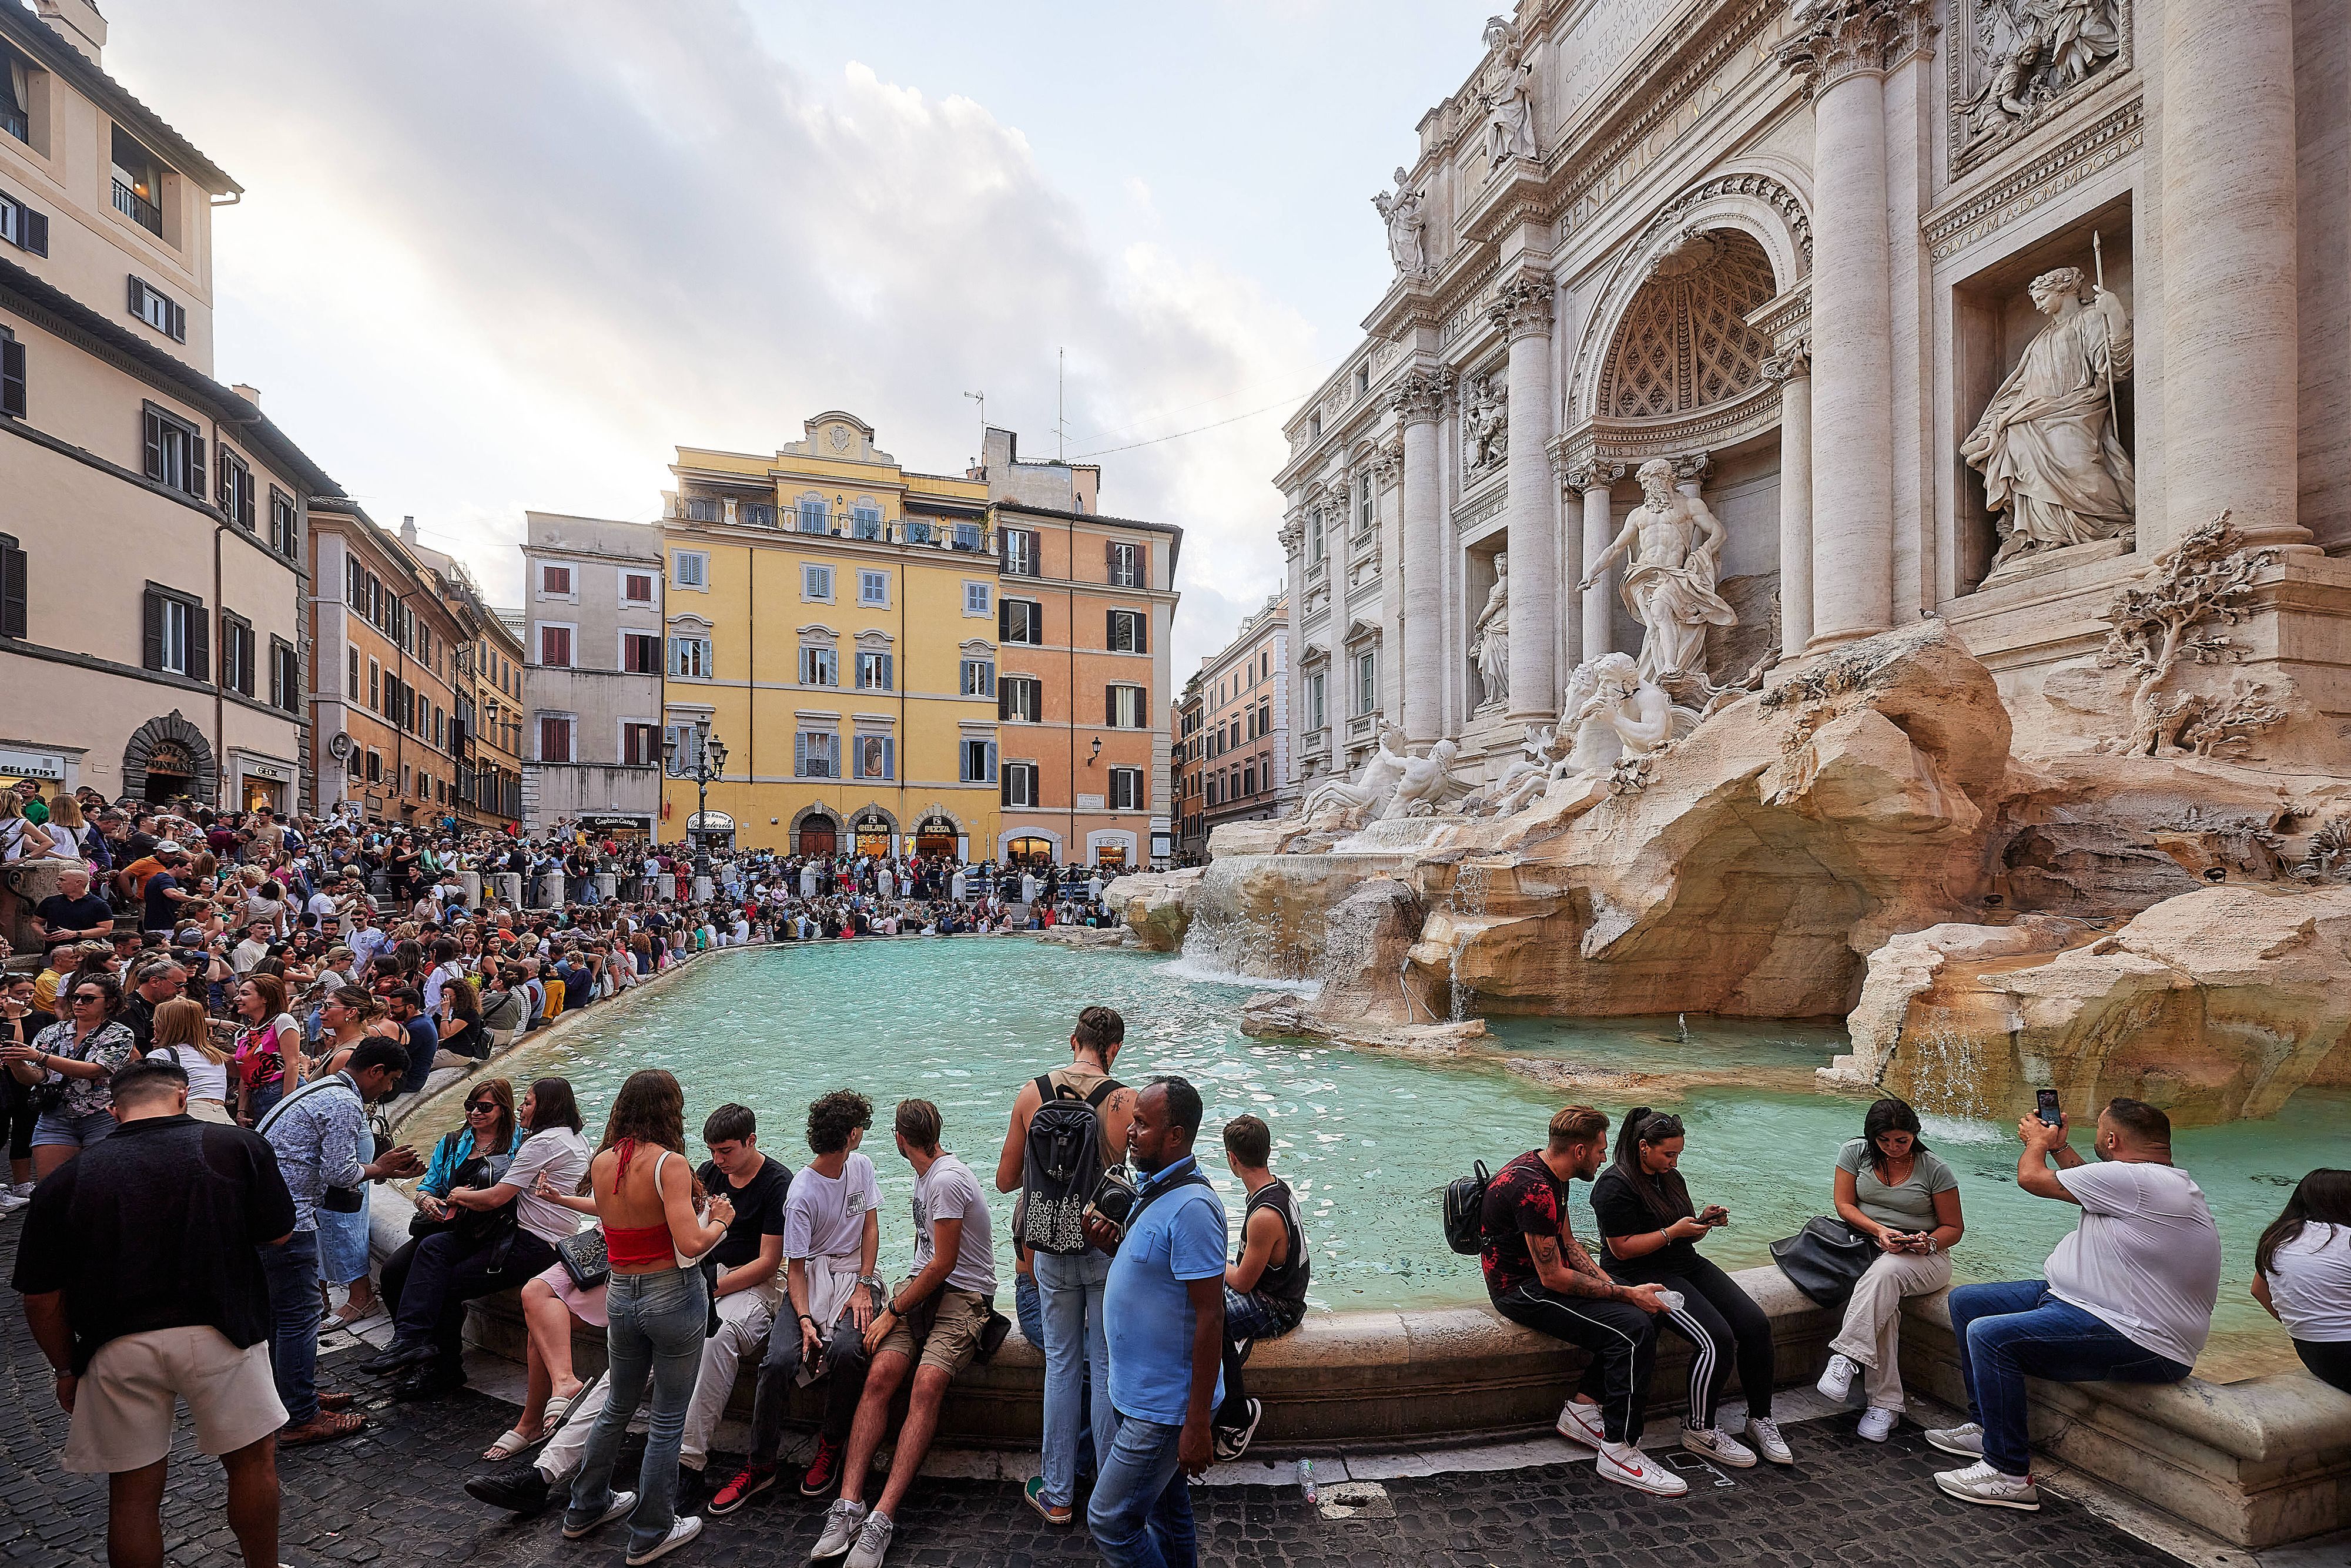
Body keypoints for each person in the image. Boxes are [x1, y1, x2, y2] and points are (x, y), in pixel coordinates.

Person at [11, 1057, 297, 1568]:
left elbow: (40, 1296)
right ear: (183, 1096)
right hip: (224, 1331)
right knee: (253, 1464)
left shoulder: (67, 1178)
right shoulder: (237, 1146)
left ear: (113, 1110)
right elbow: (276, 1234)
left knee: (133, 1495)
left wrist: (65, 1367)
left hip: (116, 1345)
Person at [1926, 1098, 2221, 1511]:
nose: (2096, 1136)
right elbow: (2087, 1187)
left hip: (2140, 1338)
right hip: (2080, 1302)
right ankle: (1987, 1428)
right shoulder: (2150, 1181)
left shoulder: (2137, 1182)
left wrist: (2036, 1142)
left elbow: (2031, 1178)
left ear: (2113, 1139)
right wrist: (2061, 1148)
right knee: (1968, 1302)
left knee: (1990, 1335)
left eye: (2100, 1130)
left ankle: (2009, 1474)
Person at [804, 1099, 997, 1567]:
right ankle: (848, 1505)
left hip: (963, 1295)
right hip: (923, 1288)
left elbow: (946, 1263)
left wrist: (891, 1310)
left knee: (927, 1385)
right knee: (881, 1373)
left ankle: (883, 1518)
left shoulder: (947, 1180)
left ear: (900, 1139)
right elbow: (925, 1255)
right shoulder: (925, 1173)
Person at [562, 1068, 732, 1567]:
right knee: (667, 1419)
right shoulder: (670, 1164)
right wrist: (722, 1219)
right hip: (671, 1295)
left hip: (621, 1293)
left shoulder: (602, 1161)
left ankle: (584, 1506)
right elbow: (691, 1243)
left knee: (617, 1404)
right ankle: (652, 1530)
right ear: (670, 1108)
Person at [1479, 1105, 1683, 1497]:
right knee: (1633, 1331)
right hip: (1520, 1290)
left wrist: (1620, 1289)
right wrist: (1625, 1294)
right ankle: (1619, 1450)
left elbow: (1569, 1244)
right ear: (1579, 1150)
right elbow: (1552, 1276)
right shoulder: (1535, 1189)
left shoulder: (1554, 1172)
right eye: (1602, 1150)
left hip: (1542, 1276)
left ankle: (1583, 1410)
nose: (1606, 1157)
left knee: (1645, 1311)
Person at [1076, 1076, 1225, 1568]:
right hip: (1134, 1392)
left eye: (1143, 1123)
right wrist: (1111, 1247)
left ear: (1176, 1135)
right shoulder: (1153, 1187)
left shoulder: (1195, 1209)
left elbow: (1210, 1314)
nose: (1130, 1132)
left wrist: (1197, 1422)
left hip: (1163, 1409)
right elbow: (1158, 1273)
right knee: (1167, 1512)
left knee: (1111, 1520)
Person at [1591, 1107, 1791, 1469]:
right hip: (1642, 1272)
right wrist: (1673, 1233)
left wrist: (1701, 1222)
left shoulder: (1669, 1177)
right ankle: (1699, 1429)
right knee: (1715, 1340)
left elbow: (1671, 1224)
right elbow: (1621, 1247)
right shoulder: (1614, 1185)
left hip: (1684, 1262)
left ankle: (1760, 1417)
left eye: (1678, 1154)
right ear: (1643, 1148)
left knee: (1756, 1325)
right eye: (1669, 1153)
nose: (1674, 1160)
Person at [712, 1090, 882, 1513]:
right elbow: (797, 1267)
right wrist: (804, 1317)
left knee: (846, 1351)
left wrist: (863, 1284)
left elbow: (870, 1230)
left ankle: (831, 1444)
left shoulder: (861, 1168)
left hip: (858, 1277)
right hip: (812, 1281)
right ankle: (761, 1463)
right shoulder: (801, 1193)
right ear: (854, 1134)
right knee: (778, 1363)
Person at [996, 1004, 1133, 1526]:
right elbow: (1134, 1189)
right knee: (1104, 1368)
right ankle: (1110, 1493)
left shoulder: (1032, 1093)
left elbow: (1007, 1181)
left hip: (1049, 1248)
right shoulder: (1126, 1102)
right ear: (1113, 1049)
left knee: (1061, 1366)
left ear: (1072, 1039)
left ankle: (1056, 1494)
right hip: (1100, 1247)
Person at [254, 1037, 421, 1445]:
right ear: (376, 1071)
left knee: (281, 1317)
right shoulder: (345, 1104)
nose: (388, 1091)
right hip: (290, 1221)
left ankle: (294, 1398)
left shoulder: (319, 1087)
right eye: (391, 1081)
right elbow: (341, 1173)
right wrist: (381, 1168)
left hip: (267, 1213)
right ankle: (299, 1418)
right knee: (299, 1318)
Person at [1816, 1098, 1964, 1440]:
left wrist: (1925, 1243)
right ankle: (1886, 1405)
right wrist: (1879, 1231)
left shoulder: (1935, 1169)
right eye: (1884, 1141)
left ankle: (1845, 1356)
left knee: (1886, 1274)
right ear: (1872, 1137)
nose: (1893, 1148)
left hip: (1928, 1257)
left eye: (1902, 1140)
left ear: (1915, 1135)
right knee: (1886, 1304)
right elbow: (1843, 1204)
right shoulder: (1854, 1153)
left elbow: (1953, 1229)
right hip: (1870, 1245)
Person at [675, 1103, 791, 1484]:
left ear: (751, 1141)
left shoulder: (777, 1182)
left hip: (753, 1284)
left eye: (726, 1151)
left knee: (717, 1336)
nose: (717, 1160)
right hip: (709, 1275)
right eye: (712, 1151)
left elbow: (769, 1263)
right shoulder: (709, 1174)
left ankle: (689, 1460)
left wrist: (711, 1289)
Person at [1211, 1114, 1308, 1462]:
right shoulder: (1275, 1187)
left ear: (1232, 1160)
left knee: (1209, 1320)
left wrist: (1208, 1260)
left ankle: (1238, 1416)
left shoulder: (1264, 1216)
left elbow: (1241, 1281)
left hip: (1278, 1307)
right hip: (1276, 1292)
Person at [5, 971, 140, 1176]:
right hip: (55, 1115)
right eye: (74, 997)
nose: (78, 1003)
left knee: (99, 1182)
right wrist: (16, 1063)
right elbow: (36, 1077)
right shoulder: (52, 1031)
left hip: (102, 1115)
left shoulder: (119, 1033)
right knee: (52, 1186)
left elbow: (96, 1070)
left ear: (110, 1003)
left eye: (88, 999)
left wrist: (39, 1056)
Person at [2253, 1170, 2351, 1395]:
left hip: (2312, 1353)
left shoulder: (2277, 1238)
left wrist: (2304, 1324)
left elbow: (2258, 1290)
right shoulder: (2347, 1238)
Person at [229, 973, 305, 1127]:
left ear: (265, 998)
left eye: (245, 994)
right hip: (258, 1097)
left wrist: (286, 1104)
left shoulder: (282, 1021)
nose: (237, 998)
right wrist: (241, 1111)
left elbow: (293, 1064)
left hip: (281, 1091)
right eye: (238, 993)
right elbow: (245, 1073)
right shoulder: (243, 1034)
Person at [147, 997, 236, 1124]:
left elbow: (153, 1098)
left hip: (191, 1117)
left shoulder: (162, 1055)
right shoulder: (215, 1055)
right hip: (225, 1120)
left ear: (165, 1026)